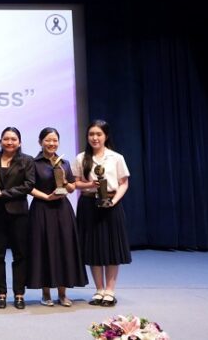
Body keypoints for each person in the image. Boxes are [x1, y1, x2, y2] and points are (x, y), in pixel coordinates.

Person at [72, 119, 130, 307]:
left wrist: (113, 201)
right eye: (91, 134)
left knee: (112, 247)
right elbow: (75, 183)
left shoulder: (116, 157)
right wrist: (90, 184)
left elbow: (124, 183)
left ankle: (110, 291)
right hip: (89, 205)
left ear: (106, 136)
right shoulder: (81, 158)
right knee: (93, 247)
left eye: (98, 134)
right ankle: (98, 289)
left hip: (112, 204)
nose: (94, 138)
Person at [27, 127, 88, 307]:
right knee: (43, 248)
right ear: (40, 142)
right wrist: (46, 197)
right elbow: (29, 187)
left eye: (55, 140)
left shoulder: (65, 163)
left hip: (62, 210)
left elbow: (71, 188)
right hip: (41, 208)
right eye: (48, 140)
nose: (52, 143)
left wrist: (65, 180)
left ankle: (62, 294)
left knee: (64, 248)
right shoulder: (33, 163)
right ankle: (45, 293)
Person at [0, 126, 34, 309]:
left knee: (20, 254)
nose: (9, 142)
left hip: (18, 213)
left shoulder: (27, 160)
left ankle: (19, 294)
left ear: (19, 142)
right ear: (0, 141)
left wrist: (4, 194)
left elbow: (29, 185)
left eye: (13, 139)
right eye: (6, 139)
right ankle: (1, 294)